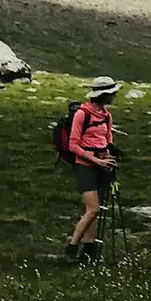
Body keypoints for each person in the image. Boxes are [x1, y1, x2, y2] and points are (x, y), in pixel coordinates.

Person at [65, 76, 122, 265]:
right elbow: (73, 145)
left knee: (95, 210)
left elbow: (107, 140)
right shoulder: (82, 114)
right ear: (103, 94)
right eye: (112, 93)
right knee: (93, 209)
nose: (114, 96)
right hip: (86, 166)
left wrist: (108, 157)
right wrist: (95, 160)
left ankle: (88, 251)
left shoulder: (106, 115)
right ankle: (72, 246)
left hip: (102, 166)